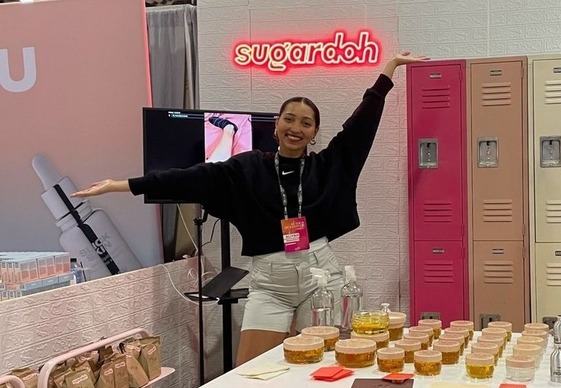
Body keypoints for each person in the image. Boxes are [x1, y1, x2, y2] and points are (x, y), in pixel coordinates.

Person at [73, 52, 429, 365]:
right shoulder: (247, 168)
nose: (296, 127)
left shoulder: (326, 166)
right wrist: (122, 185)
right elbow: (189, 178)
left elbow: (361, 126)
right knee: (251, 370)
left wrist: (389, 70)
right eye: (289, 118)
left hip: (321, 275)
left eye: (306, 123)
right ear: (276, 125)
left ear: (314, 132)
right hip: (270, 282)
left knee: (322, 365)